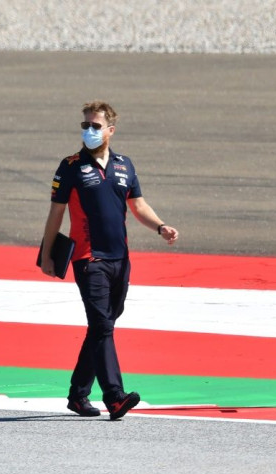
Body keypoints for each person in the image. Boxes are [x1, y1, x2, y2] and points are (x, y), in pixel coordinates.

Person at [40, 100, 179, 420]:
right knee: (102, 324)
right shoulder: (71, 166)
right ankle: (114, 396)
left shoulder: (124, 165)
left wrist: (160, 226)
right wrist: (47, 254)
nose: (89, 130)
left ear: (110, 131)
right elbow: (55, 214)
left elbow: (139, 206)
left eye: (95, 126)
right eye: (85, 126)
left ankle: (78, 395)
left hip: (120, 259)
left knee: (102, 326)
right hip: (89, 259)